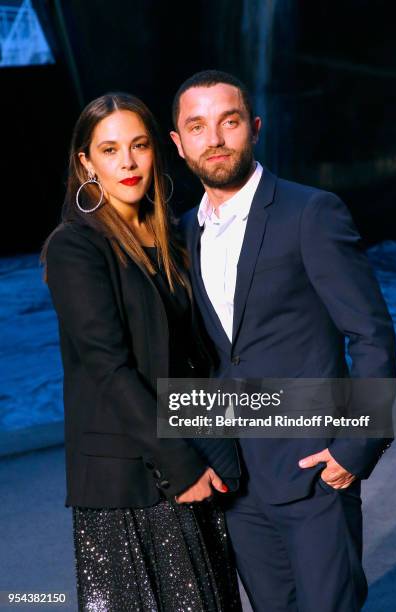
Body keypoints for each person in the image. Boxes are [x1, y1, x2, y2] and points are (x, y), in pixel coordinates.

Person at [170, 70, 396, 612]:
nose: (215, 138)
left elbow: (370, 333)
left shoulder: (310, 212)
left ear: (254, 126)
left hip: (314, 468)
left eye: (228, 121)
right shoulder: (182, 233)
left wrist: (355, 448)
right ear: (179, 145)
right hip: (236, 478)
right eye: (197, 127)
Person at [42, 92, 242, 612]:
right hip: (128, 482)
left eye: (138, 145)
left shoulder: (173, 237)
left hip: (191, 456)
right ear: (85, 162)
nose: (127, 163)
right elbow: (107, 368)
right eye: (109, 150)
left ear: (157, 150)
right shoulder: (76, 247)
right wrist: (182, 464)